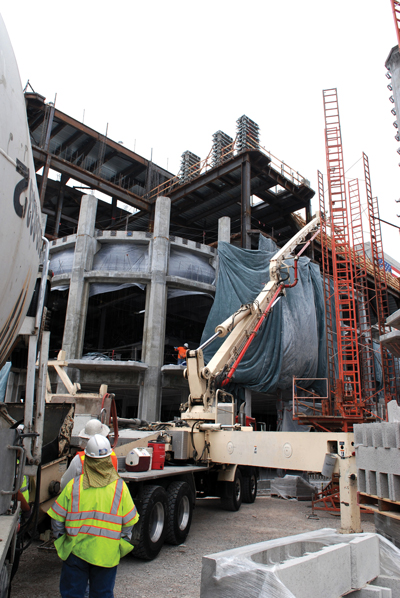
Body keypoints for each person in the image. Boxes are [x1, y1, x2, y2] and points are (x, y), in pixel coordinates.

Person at [48, 435, 139, 598]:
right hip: (106, 554)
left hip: (75, 551)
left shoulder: (74, 485)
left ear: (87, 459)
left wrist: (61, 539)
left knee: (72, 594)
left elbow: (57, 517)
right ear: (108, 459)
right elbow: (129, 521)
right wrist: (122, 543)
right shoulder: (120, 487)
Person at [60, 419, 118, 490]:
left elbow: (64, 484)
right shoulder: (112, 456)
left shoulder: (78, 460)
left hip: (84, 499)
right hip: (108, 499)